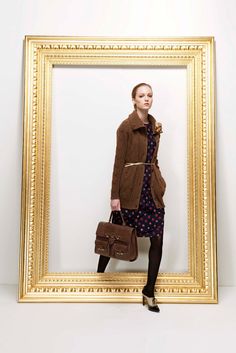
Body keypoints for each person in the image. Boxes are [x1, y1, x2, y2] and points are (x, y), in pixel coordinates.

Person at [97, 83, 166, 313]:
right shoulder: (126, 127)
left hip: (151, 191)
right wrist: (114, 196)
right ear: (134, 100)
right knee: (115, 234)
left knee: (157, 238)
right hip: (130, 190)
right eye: (141, 96)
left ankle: (149, 291)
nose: (146, 99)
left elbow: (153, 159)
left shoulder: (155, 127)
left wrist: (159, 182)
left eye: (149, 95)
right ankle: (97, 278)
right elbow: (118, 162)